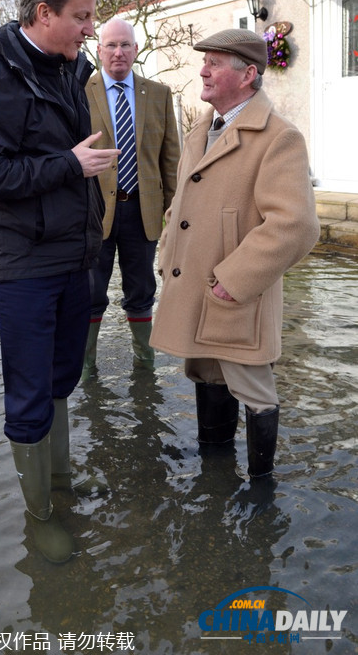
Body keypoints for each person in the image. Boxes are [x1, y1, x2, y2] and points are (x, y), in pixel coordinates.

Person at [0, 0, 120, 563]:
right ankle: (40, 514)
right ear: (43, 13)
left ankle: (60, 480)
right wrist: (68, 165)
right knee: (29, 391)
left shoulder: (69, 68)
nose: (91, 28)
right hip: (22, 263)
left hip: (74, 255)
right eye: (82, 16)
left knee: (61, 378)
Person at [150, 28, 320, 478]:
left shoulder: (279, 137)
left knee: (253, 388)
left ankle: (261, 490)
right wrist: (167, 253)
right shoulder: (201, 130)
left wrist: (233, 281)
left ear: (247, 75)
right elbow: (181, 204)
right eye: (204, 61)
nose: (203, 71)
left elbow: (296, 225)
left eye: (214, 63)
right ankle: (215, 473)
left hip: (234, 295)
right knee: (206, 374)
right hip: (195, 287)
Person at [83, 18, 180, 372]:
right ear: (99, 50)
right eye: (111, 45)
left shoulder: (159, 94)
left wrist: (175, 214)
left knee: (142, 291)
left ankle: (145, 366)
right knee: (90, 293)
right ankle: (86, 369)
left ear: (136, 50)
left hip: (143, 211)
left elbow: (171, 160)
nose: (118, 52)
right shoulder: (80, 92)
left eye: (125, 45)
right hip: (94, 213)